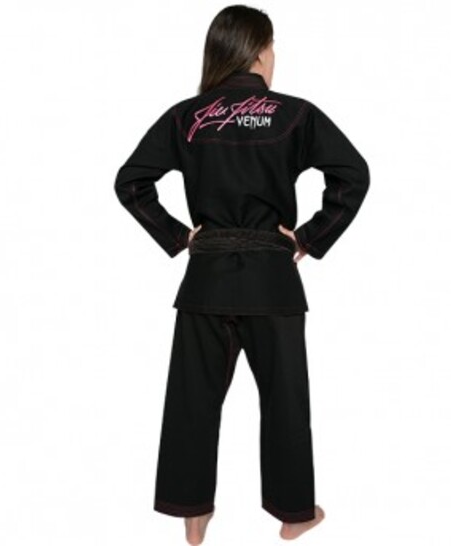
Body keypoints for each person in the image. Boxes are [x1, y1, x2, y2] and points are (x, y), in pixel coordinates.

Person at [114, 5, 370, 544]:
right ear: (258, 51)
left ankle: (193, 515)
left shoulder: (187, 117)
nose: (274, 58)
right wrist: (308, 238)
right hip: (273, 283)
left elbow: (131, 182)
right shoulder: (294, 115)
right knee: (284, 403)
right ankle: (294, 514)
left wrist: (180, 237)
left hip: (205, 282)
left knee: (192, 402)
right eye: (272, 48)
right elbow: (353, 173)